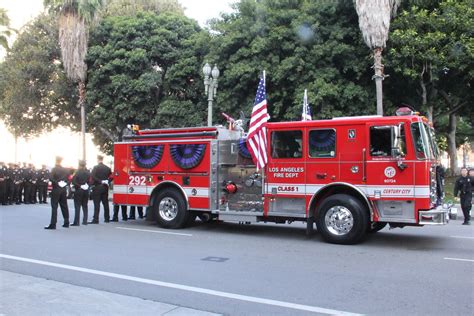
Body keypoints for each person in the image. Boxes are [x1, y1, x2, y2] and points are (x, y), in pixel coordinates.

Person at [45, 156, 70, 230]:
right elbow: (69, 179)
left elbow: (51, 178)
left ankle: (53, 224)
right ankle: (66, 222)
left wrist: (57, 182)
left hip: (56, 188)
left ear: (56, 161)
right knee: (64, 205)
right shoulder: (65, 170)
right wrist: (65, 183)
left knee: (54, 206)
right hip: (63, 189)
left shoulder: (54, 169)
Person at [90, 155, 111, 224]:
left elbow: (92, 176)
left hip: (97, 187)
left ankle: (96, 219)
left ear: (97, 159)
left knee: (97, 204)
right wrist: (107, 181)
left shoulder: (96, 167)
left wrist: (100, 181)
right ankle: (107, 218)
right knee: (105, 203)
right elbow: (111, 176)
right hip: (105, 187)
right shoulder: (107, 168)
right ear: (102, 159)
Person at [71, 160, 91, 226]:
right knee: (85, 206)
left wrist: (79, 185)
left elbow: (73, 181)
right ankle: (85, 221)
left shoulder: (77, 172)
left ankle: (76, 222)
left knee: (77, 206)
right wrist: (86, 185)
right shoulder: (88, 173)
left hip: (79, 190)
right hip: (86, 190)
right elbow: (90, 181)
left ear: (79, 165)